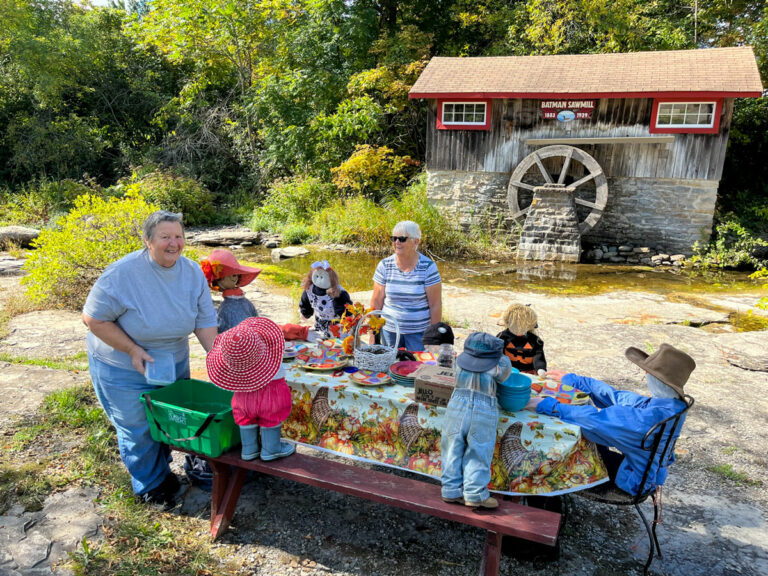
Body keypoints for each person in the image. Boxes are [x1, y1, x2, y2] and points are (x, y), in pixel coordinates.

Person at [82, 210, 218, 506]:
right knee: (138, 426)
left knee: (170, 416)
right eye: (165, 236)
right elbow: (93, 318)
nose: (174, 243)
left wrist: (217, 358)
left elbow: (204, 321)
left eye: (179, 236)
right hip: (123, 362)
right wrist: (132, 349)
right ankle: (151, 485)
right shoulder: (122, 273)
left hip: (171, 358)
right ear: (147, 240)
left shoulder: (192, 271)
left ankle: (168, 466)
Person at [526, 343, 695, 495]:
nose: (645, 375)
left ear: (658, 381)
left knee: (565, 445)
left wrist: (547, 405)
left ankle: (544, 498)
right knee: (588, 438)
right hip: (648, 470)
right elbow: (617, 397)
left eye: (648, 373)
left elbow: (595, 420)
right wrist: (573, 380)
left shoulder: (647, 419)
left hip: (633, 479)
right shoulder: (672, 406)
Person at [206, 317, 295, 461]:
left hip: (243, 397)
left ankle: (249, 449)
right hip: (271, 395)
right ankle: (271, 449)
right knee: (271, 416)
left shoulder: (237, 367)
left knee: (245, 418)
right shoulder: (272, 358)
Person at [441, 332, 512, 509]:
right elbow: (505, 374)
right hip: (483, 409)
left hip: (456, 405)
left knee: (451, 447)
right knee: (479, 450)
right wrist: (499, 356)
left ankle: (450, 490)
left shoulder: (458, 362)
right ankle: (474, 493)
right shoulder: (496, 367)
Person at [370, 221, 442, 351]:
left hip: (419, 334)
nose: (397, 242)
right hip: (389, 332)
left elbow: (435, 305)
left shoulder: (428, 267)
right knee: (390, 368)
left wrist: (434, 338)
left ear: (416, 242)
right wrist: (373, 333)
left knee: (417, 368)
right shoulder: (385, 265)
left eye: (402, 239)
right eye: (394, 238)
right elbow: (376, 301)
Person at [200, 248, 261, 333]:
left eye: (235, 275)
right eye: (231, 275)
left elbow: (220, 332)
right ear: (218, 280)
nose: (234, 277)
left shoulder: (225, 308)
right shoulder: (242, 304)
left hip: (238, 342)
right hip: (247, 342)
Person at [299, 260, 352, 338]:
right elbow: (305, 303)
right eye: (317, 276)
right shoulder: (309, 289)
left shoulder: (338, 292)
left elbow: (345, 311)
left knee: (337, 346)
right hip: (320, 325)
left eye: (322, 277)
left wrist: (347, 320)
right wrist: (305, 313)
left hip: (338, 328)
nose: (319, 279)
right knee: (322, 345)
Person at [495, 304, 547, 375]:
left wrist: (540, 368)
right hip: (507, 369)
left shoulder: (535, 340)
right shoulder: (502, 336)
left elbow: (538, 357)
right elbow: (496, 352)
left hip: (527, 372)